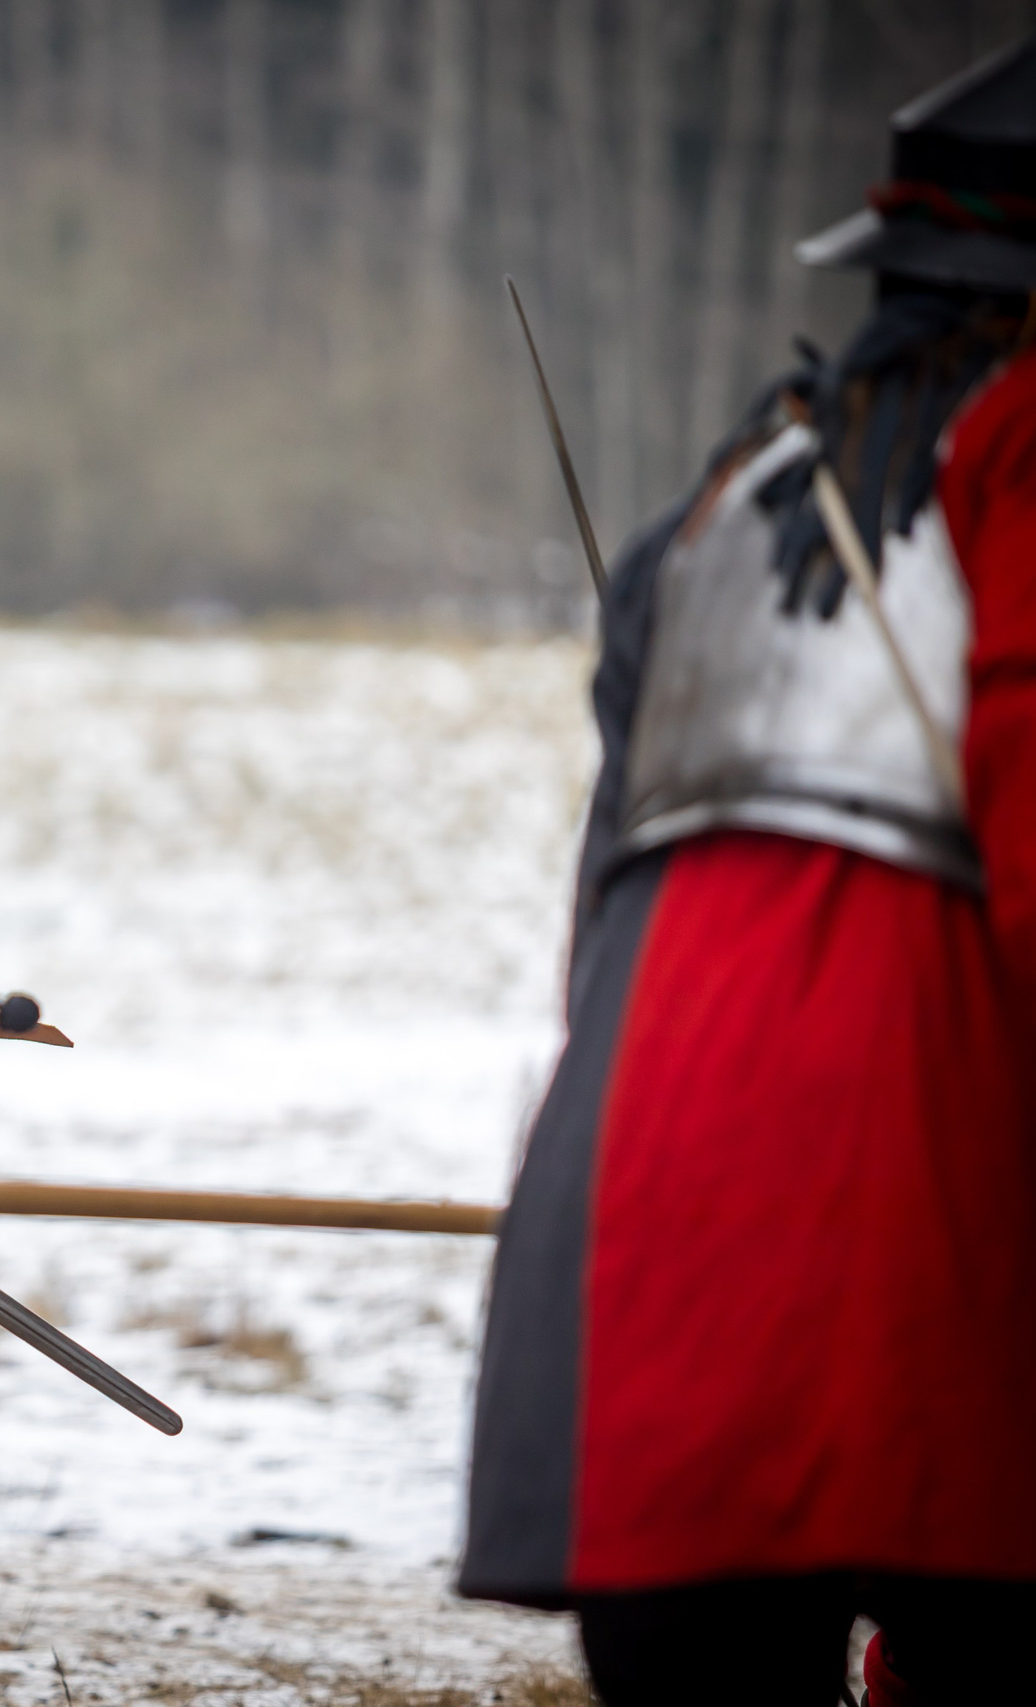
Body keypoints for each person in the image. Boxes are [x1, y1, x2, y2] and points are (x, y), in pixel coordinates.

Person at [460, 37, 1036, 1707]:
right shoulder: (1016, 450)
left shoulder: (721, 495)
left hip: (641, 1211)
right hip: (919, 1210)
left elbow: (599, 939)